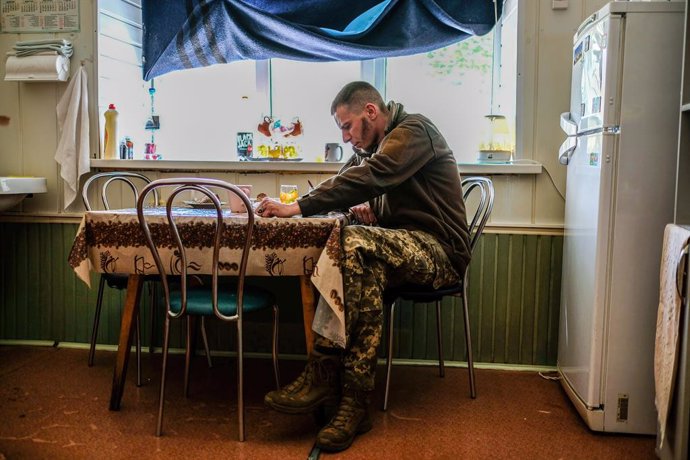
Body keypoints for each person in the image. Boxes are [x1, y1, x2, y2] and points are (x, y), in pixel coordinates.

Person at [256, 81, 471, 452]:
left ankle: (323, 370)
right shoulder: (370, 148)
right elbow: (347, 181)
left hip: (440, 251)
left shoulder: (414, 131)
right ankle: (355, 404)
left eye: (347, 126)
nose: (345, 136)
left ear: (371, 112)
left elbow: (371, 178)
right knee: (363, 269)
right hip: (403, 246)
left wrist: (298, 207)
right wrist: (370, 210)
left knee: (351, 243)